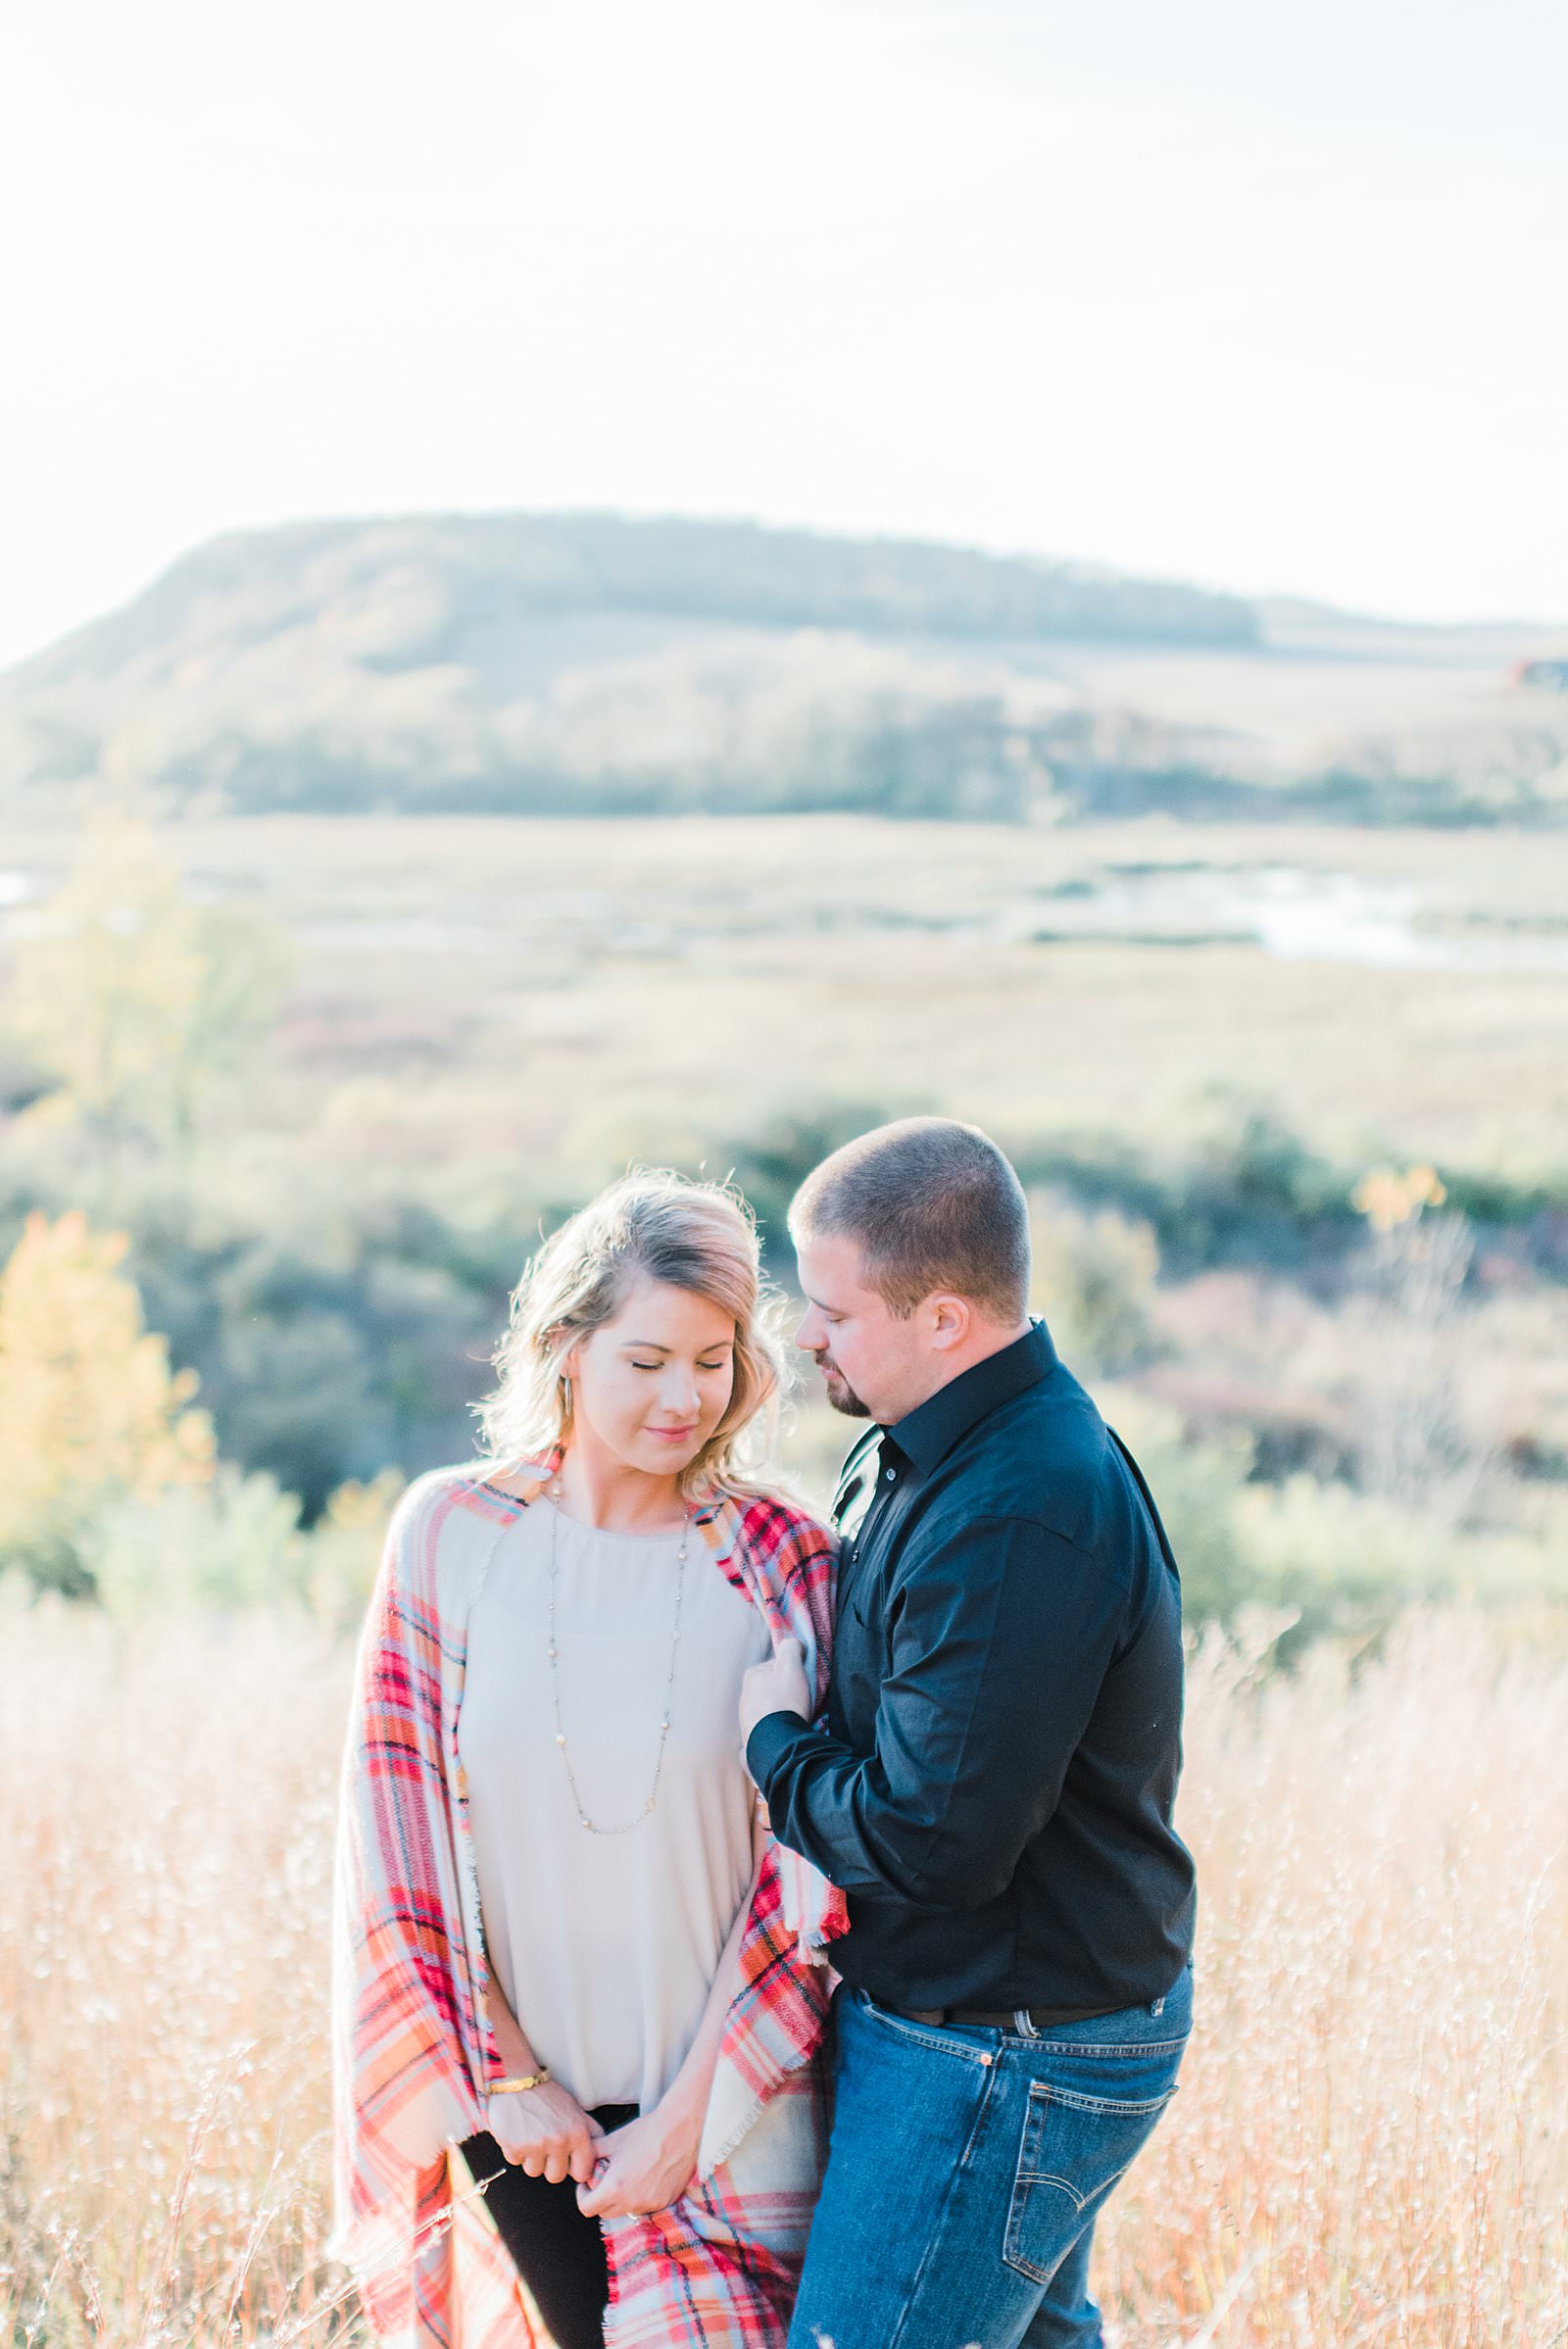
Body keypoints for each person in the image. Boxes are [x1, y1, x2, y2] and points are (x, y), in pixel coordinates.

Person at [332, 1172, 845, 2349]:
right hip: (523, 2121)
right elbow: (395, 1845)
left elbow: (806, 1881)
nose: (685, 1398)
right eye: (647, 1359)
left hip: (736, 2112)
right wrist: (511, 2080)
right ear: (567, 1349)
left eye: (713, 1360)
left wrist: (690, 2117)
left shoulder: (787, 1560)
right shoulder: (450, 1538)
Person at [740, 1116, 1198, 2349]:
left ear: (944, 1318)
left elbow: (935, 1843)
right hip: (1012, 2030)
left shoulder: (1016, 1511)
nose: (804, 1333)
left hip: (1003, 2051)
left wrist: (772, 1752)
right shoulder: (920, 1445)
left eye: (833, 1311)